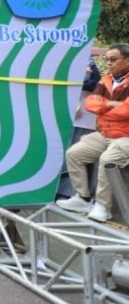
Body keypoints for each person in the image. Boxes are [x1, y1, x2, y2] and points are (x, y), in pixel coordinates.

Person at [56, 44, 129, 223]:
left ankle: (103, 207)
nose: (109, 63)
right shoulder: (105, 79)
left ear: (127, 61)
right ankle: (83, 199)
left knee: (107, 159)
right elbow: (91, 103)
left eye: (113, 59)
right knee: (74, 153)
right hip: (105, 134)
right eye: (107, 60)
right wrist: (110, 106)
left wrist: (104, 106)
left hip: (125, 137)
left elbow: (126, 111)